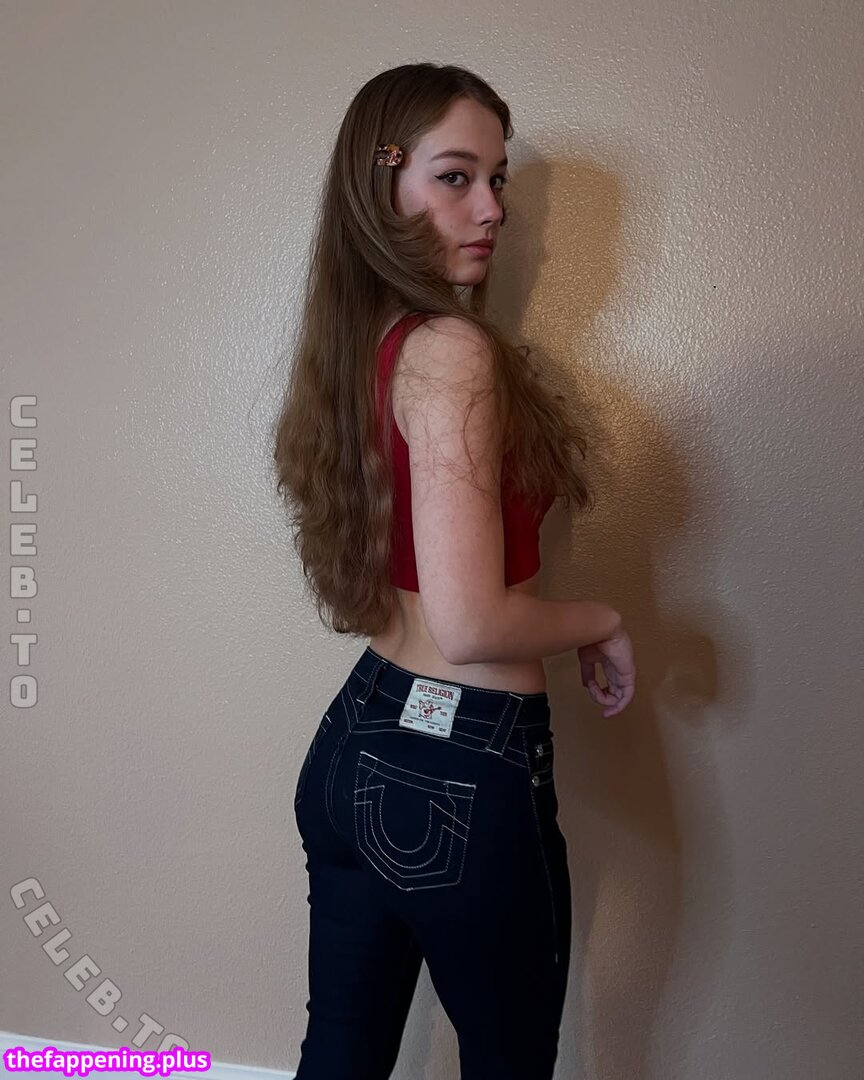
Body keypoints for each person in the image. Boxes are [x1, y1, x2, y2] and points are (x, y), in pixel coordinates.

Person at [273, 61, 636, 1080]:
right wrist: (603, 619)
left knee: (339, 1053)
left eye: (499, 179)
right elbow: (472, 625)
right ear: (381, 186)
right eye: (455, 177)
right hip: (460, 772)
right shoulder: (451, 352)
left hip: (356, 740)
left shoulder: (364, 346)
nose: (493, 209)